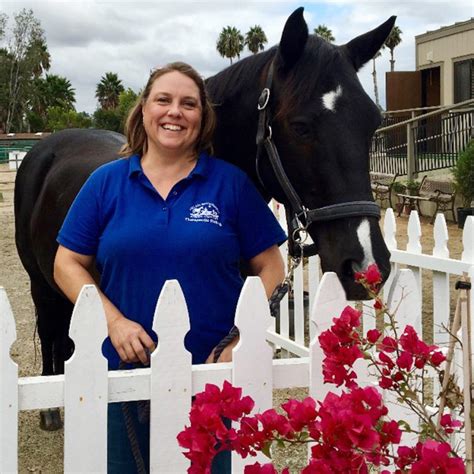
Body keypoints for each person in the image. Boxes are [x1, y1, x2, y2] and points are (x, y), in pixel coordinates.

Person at [54, 61, 286, 473]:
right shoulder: (106, 183)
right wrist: (114, 322)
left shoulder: (230, 185)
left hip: (213, 376)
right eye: (163, 100)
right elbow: (67, 263)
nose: (174, 111)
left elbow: (271, 266)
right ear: (144, 110)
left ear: (203, 118)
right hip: (124, 379)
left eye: (188, 104)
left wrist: (241, 338)